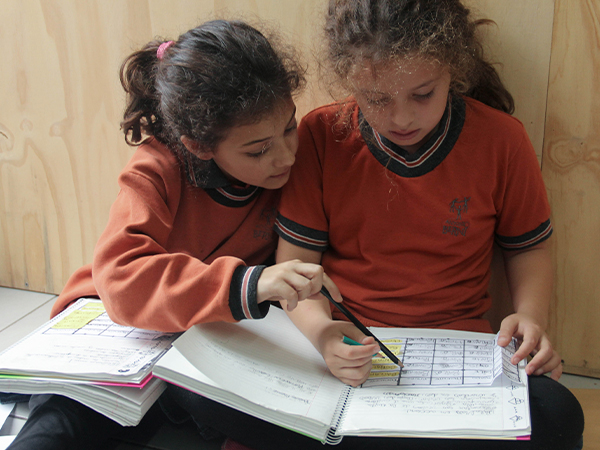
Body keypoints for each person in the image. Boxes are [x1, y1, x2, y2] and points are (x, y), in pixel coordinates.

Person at [165, 1, 584, 450]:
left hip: (455, 352)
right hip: (343, 349)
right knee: (193, 382)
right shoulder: (322, 135)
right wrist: (323, 335)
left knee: (557, 414)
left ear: (453, 70)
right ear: (350, 83)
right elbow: (297, 269)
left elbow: (528, 246)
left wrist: (530, 318)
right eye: (377, 99)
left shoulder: (502, 139)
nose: (401, 118)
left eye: (422, 94)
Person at [7, 19, 336, 450]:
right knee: (64, 426)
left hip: (209, 336)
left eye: (289, 128)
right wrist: (247, 283)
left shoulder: (295, 164)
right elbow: (121, 280)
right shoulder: (157, 169)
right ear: (199, 145)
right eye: (258, 150)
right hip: (121, 328)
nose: (286, 156)